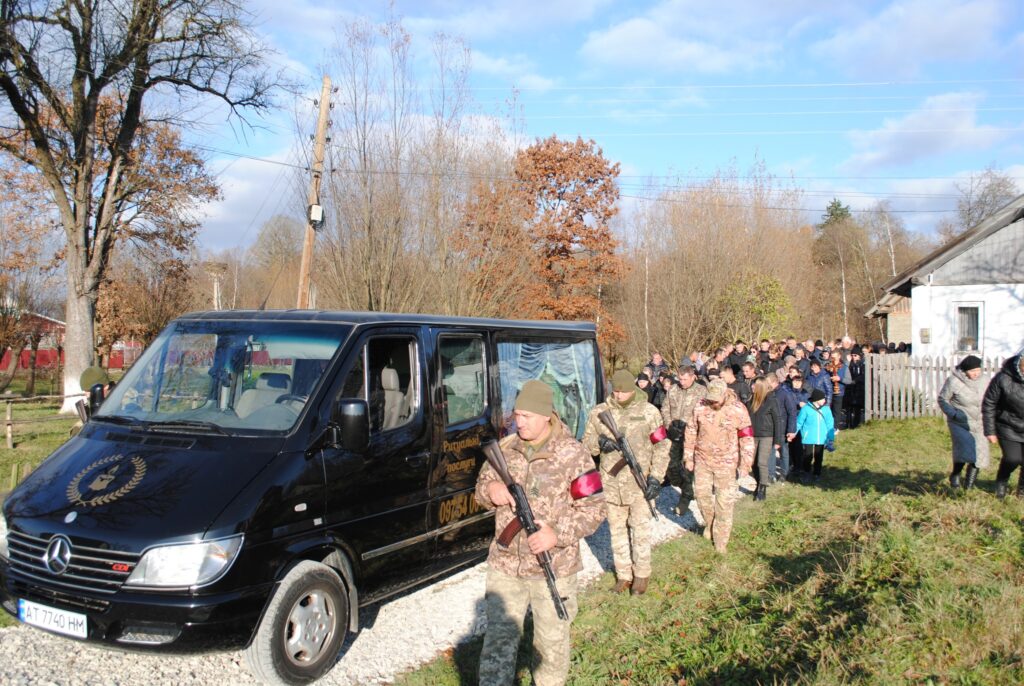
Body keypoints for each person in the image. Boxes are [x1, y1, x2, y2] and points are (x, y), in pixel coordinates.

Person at [476, 380, 606, 686]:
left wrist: (556, 534)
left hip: (554, 566)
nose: (518, 422)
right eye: (516, 415)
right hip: (505, 565)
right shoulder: (505, 449)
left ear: (547, 415)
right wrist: (490, 489)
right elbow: (481, 487)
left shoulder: (574, 455)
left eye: (526, 416)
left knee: (551, 644)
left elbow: (595, 508)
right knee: (498, 639)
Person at [583, 369, 669, 595]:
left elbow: (662, 446)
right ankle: (623, 576)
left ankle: (641, 575)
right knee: (616, 531)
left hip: (639, 485)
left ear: (633, 389)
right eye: (616, 391)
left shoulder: (649, 412)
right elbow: (586, 444)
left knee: (640, 530)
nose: (619, 395)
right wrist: (600, 442)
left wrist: (655, 478)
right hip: (611, 486)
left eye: (624, 391)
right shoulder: (599, 412)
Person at [683, 379, 755, 553]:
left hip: (726, 463)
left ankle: (721, 543)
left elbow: (746, 437)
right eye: (711, 399)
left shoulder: (738, 409)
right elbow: (691, 431)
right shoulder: (700, 406)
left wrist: (746, 463)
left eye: (716, 399)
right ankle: (711, 523)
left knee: (724, 503)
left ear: (725, 394)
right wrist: (688, 457)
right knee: (701, 497)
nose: (713, 402)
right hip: (702, 460)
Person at [661, 365, 708, 514]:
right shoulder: (673, 389)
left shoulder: (701, 391)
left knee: (688, 468)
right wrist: (669, 425)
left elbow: (705, 413)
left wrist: (692, 428)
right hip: (674, 433)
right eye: (680, 379)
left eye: (685, 379)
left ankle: (685, 498)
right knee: (671, 467)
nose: (682, 382)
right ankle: (686, 489)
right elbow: (665, 408)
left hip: (692, 435)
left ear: (693, 376)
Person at [938, 355, 990, 490]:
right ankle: (955, 475)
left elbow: (992, 398)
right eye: (973, 371)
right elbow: (942, 399)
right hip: (960, 423)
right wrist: (954, 414)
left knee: (979, 454)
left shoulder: (985, 380)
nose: (976, 373)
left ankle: (969, 486)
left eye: (978, 370)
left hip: (980, 423)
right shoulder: (954, 381)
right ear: (965, 370)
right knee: (965, 452)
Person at [983, 353, 1024, 499]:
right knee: (1013, 458)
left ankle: (1022, 491)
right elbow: (989, 403)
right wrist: (990, 431)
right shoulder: (1003, 378)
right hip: (1008, 425)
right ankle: (1002, 481)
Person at [749, 376, 784, 500]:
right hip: (753, 436)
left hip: (766, 436)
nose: (752, 386)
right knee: (752, 463)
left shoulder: (771, 400)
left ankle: (762, 488)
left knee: (762, 462)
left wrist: (777, 440)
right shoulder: (751, 400)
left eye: (754, 385)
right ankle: (758, 482)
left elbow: (777, 420)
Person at [794, 388, 835, 481]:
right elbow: (799, 422)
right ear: (817, 399)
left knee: (819, 456)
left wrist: (831, 437)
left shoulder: (826, 409)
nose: (825, 400)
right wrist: (793, 433)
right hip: (808, 436)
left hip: (821, 437)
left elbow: (830, 423)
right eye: (823, 398)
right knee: (808, 456)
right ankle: (806, 472)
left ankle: (817, 473)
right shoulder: (805, 409)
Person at [779, 372, 808, 481]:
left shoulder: (805, 393)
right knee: (790, 445)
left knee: (799, 446)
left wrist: (802, 404)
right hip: (790, 420)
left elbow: (806, 404)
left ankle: (799, 467)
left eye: (798, 382)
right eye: (794, 381)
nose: (796, 384)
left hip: (800, 421)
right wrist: (797, 402)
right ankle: (791, 466)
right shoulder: (788, 392)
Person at [825, 350, 852, 430]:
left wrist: (839, 379)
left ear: (839, 356)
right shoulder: (828, 366)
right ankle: (827, 426)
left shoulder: (844, 367)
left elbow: (849, 380)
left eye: (835, 356)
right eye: (832, 357)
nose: (833, 359)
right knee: (827, 410)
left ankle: (835, 427)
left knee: (836, 411)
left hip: (838, 391)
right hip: (828, 391)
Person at [845, 348, 865, 429]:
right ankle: (848, 424)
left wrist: (855, 380)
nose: (853, 357)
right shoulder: (850, 364)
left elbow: (863, 375)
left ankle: (856, 424)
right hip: (850, 387)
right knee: (849, 407)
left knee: (857, 407)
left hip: (859, 388)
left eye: (855, 355)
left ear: (859, 356)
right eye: (852, 355)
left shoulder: (862, 364)